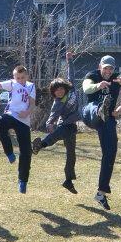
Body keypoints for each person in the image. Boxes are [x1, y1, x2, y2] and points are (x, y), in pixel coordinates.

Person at [81, 55, 121, 210]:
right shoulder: (92, 75)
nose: (108, 71)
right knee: (95, 106)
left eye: (111, 68)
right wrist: (98, 86)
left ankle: (101, 193)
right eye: (105, 68)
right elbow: (85, 88)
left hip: (107, 119)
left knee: (110, 152)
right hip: (90, 115)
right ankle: (100, 109)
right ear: (100, 66)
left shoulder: (116, 77)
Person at [32, 52, 79, 194]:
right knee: (61, 133)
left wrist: (69, 60)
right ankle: (40, 145)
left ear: (65, 87)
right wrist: (49, 124)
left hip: (72, 127)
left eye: (60, 89)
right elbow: (52, 116)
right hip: (65, 126)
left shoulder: (72, 89)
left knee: (71, 155)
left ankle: (68, 181)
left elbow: (72, 74)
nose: (58, 92)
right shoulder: (58, 103)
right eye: (55, 91)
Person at [0, 66, 36, 194]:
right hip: (11, 115)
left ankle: (23, 180)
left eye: (23, 78)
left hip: (24, 120)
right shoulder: (12, 83)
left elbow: (32, 104)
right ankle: (9, 152)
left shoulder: (31, 86)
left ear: (27, 76)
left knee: (26, 152)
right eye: (18, 78)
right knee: (0, 122)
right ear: (15, 77)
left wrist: (27, 112)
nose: (20, 80)